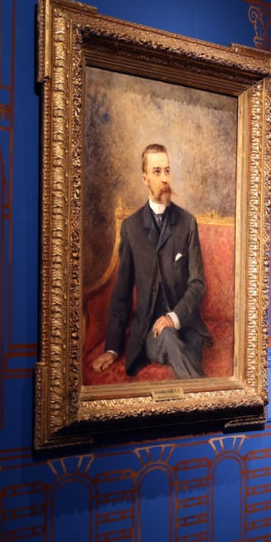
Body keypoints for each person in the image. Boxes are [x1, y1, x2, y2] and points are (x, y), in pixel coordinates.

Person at [91, 144, 212, 379]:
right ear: (145, 179)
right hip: (151, 334)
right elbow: (122, 293)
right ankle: (204, 390)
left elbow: (197, 284)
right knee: (167, 337)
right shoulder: (132, 227)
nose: (164, 178)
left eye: (167, 170)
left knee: (180, 340)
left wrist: (173, 318)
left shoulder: (187, 222)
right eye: (157, 172)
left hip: (187, 326)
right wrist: (112, 349)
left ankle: (198, 389)